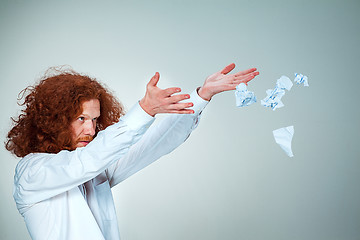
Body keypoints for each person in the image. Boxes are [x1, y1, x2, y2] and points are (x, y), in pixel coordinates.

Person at [5, 63, 259, 240]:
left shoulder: (95, 171)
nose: (91, 130)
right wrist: (145, 109)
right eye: (81, 118)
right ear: (54, 119)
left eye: (95, 120)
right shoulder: (33, 172)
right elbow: (85, 163)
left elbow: (151, 145)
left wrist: (203, 95)